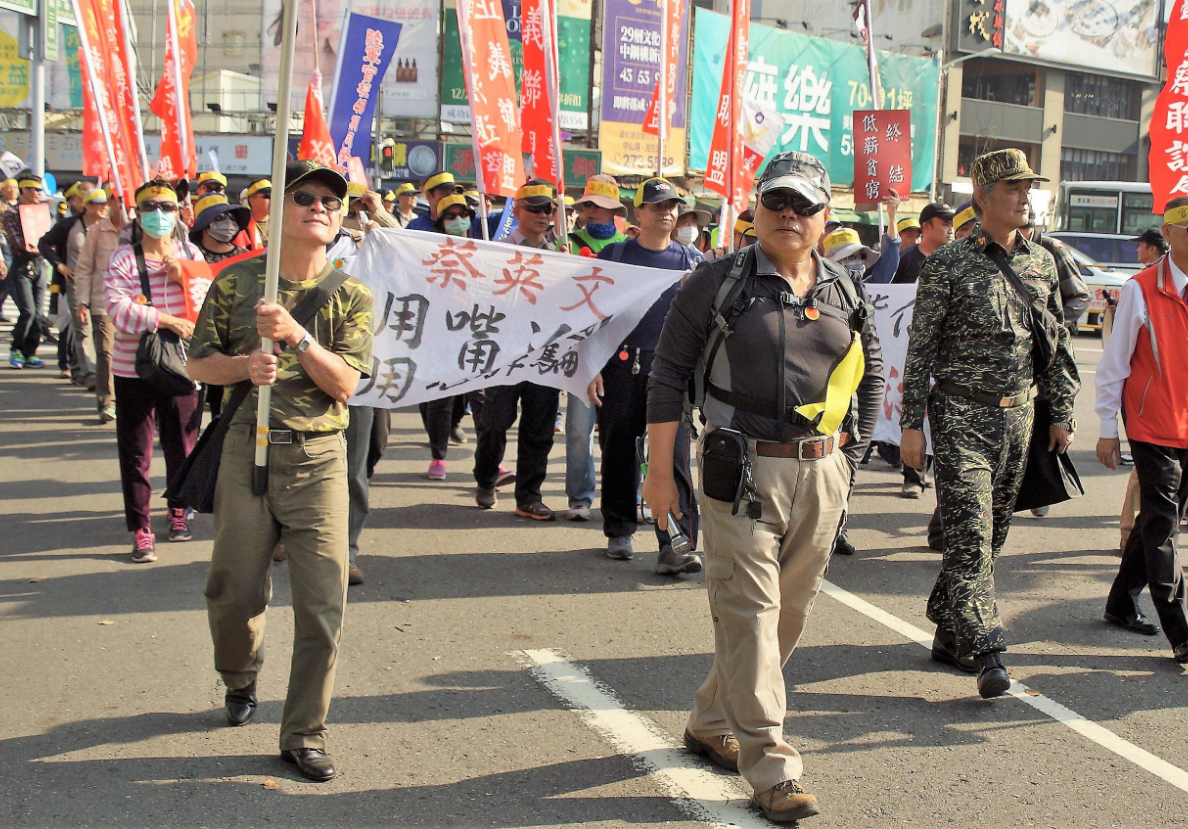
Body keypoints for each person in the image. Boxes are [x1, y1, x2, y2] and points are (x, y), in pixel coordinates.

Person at [644, 152, 882, 823]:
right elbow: (667, 376)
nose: (788, 215)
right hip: (737, 471)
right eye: (776, 202)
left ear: (824, 217)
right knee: (749, 608)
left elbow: (872, 371)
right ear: (754, 209)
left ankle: (710, 718)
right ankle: (772, 764)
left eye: (803, 205)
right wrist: (659, 473)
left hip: (822, 471)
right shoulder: (717, 283)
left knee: (789, 613)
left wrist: (849, 461)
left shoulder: (844, 287)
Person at [187, 160, 374, 782]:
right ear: (277, 209)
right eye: (305, 197)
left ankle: (304, 732)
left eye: (330, 200)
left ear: (340, 216)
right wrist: (244, 367)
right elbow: (198, 365)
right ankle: (239, 676)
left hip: (319, 457)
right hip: (247, 447)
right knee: (234, 592)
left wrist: (296, 338)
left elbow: (346, 382)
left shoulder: (351, 294)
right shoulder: (238, 283)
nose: (319, 206)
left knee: (323, 607)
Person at [900, 149, 1079, 697]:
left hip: (1020, 417)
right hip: (960, 415)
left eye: (1029, 188)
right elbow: (920, 350)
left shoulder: (1043, 262)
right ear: (982, 197)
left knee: (991, 532)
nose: (1025, 197)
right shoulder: (948, 263)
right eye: (1013, 189)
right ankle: (987, 650)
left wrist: (1062, 413)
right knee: (972, 535)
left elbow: (1055, 343)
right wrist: (911, 425)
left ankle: (948, 621)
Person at [590, 177, 705, 572]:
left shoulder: (693, 263)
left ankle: (676, 541)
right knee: (618, 451)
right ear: (637, 213)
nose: (667, 213)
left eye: (672, 205)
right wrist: (590, 366)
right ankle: (619, 529)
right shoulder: (615, 256)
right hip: (621, 367)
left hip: (671, 376)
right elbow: (589, 314)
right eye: (656, 206)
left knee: (672, 458)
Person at [1096, 196, 1188, 664]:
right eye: (1186, 230)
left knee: (1158, 519)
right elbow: (1113, 364)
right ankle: (1180, 629)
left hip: (1187, 426)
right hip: (1153, 426)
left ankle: (1118, 600)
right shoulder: (1141, 289)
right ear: (1168, 235)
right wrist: (1107, 426)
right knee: (1163, 524)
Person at [103, 179, 206, 562]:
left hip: (182, 367)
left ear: (178, 211)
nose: (159, 214)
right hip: (134, 370)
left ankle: (178, 508)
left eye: (166, 207)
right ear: (137, 212)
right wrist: (164, 319)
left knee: (182, 445)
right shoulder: (124, 258)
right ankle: (141, 528)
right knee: (136, 452)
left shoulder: (190, 252)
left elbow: (207, 300)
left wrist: (183, 275)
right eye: (150, 207)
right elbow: (115, 306)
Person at [472, 180, 563, 521]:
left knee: (539, 428)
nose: (543, 215)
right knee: (495, 422)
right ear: (517, 211)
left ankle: (529, 496)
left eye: (548, 209)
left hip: (545, 355)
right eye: (535, 208)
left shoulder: (560, 254)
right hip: (506, 353)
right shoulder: (499, 252)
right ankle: (485, 476)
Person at [562, 175, 629, 518]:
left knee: (623, 432)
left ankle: (626, 499)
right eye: (587, 205)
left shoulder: (629, 247)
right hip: (582, 350)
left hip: (621, 352)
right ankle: (580, 496)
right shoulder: (567, 244)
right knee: (578, 429)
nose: (592, 212)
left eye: (600, 207)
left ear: (615, 211)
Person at [892, 201, 956, 499]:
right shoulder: (907, 260)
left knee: (938, 413)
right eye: (945, 224)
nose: (951, 231)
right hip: (909, 347)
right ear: (927, 226)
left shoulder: (955, 261)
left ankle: (928, 468)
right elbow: (888, 299)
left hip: (945, 355)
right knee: (914, 410)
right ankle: (913, 476)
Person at [39, 180, 97, 386]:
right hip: (74, 284)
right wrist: (60, 266)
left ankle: (78, 367)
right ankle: (87, 373)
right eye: (89, 200)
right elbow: (44, 243)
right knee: (80, 327)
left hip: (98, 285)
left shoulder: (106, 226)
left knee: (96, 329)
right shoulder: (67, 225)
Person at [74, 189, 124, 422]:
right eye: (117, 199)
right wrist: (81, 302)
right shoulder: (97, 230)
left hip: (133, 303)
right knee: (105, 352)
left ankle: (129, 399)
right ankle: (107, 402)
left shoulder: (137, 230)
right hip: (102, 303)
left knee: (132, 353)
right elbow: (84, 268)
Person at [3, 174, 49, 370]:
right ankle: (16, 349)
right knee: (28, 311)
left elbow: (50, 237)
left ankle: (31, 352)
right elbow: (19, 243)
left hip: (40, 264)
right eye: (35, 189)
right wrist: (42, 248)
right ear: (24, 190)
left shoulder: (42, 212)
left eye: (40, 190)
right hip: (21, 265)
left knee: (38, 313)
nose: (39, 193)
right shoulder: (12, 213)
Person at [190, 194, 251, 264]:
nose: (229, 223)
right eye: (220, 217)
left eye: (232, 217)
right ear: (204, 224)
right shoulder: (190, 255)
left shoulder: (245, 258)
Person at [863, 191, 904, 284]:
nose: (853, 263)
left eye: (859, 256)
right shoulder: (825, 289)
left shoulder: (863, 290)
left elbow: (888, 262)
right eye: (847, 257)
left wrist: (892, 215)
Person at [244, 178, 272, 250]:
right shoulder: (242, 226)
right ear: (252, 200)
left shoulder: (281, 225)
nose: (272, 200)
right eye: (267, 197)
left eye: (274, 196)